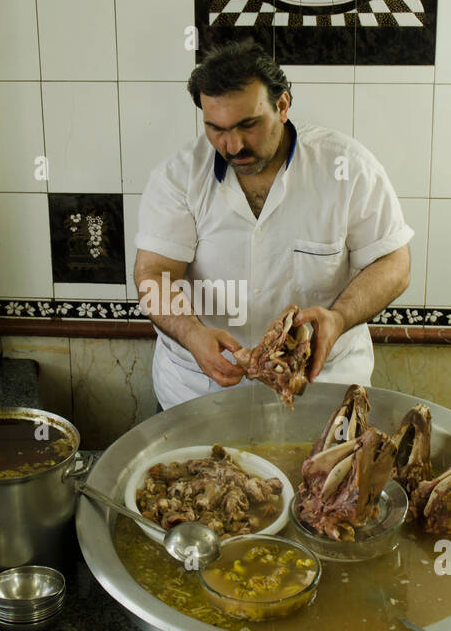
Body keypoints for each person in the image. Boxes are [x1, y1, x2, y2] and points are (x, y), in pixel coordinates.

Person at [134, 40, 412, 410]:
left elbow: (394, 264)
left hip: (322, 386)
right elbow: (153, 274)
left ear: (282, 106)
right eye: (215, 128)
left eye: (247, 125)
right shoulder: (177, 177)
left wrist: (339, 317)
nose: (232, 146)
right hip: (198, 390)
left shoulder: (348, 168)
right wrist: (193, 334)